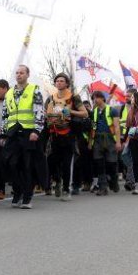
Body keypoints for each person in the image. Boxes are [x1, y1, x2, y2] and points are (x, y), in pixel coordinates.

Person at [2, 65, 45, 209]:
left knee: (27, 165)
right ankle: (18, 191)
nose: (19, 75)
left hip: (28, 132)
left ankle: (27, 197)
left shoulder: (34, 89)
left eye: (22, 73)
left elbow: (39, 111)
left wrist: (36, 130)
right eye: (17, 73)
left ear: (27, 75)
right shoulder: (9, 93)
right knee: (11, 163)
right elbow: (5, 114)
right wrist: (3, 133)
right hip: (13, 132)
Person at [44, 73, 88, 201]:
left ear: (67, 83)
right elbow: (45, 112)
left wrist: (70, 111)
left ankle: (66, 189)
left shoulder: (74, 97)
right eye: (57, 81)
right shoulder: (51, 98)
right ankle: (57, 181)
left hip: (69, 134)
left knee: (67, 163)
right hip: (54, 134)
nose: (59, 83)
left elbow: (84, 113)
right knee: (53, 162)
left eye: (62, 81)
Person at [89, 92, 122, 196]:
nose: (95, 100)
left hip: (110, 139)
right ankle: (102, 187)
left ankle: (114, 180)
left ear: (103, 98)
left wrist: (118, 142)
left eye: (97, 97)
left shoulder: (112, 110)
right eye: (94, 98)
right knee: (99, 164)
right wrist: (90, 142)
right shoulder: (94, 112)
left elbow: (116, 127)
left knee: (111, 163)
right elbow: (92, 127)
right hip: (98, 139)